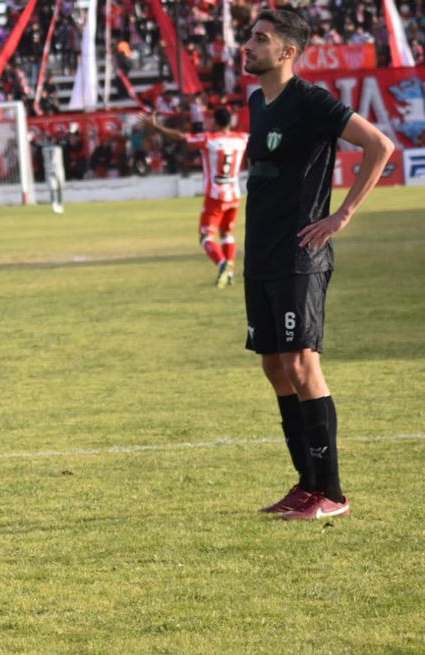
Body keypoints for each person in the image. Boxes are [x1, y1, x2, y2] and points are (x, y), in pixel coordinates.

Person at [240, 10, 393, 520]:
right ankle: (306, 484)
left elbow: (379, 145)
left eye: (260, 39)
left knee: (303, 365)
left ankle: (331, 493)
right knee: (274, 366)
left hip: (299, 256)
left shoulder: (311, 101)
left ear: (287, 52)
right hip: (260, 254)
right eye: (249, 37)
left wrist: (342, 215)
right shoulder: (257, 101)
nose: (248, 45)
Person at [141, 107, 249, 287]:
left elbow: (180, 137)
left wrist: (156, 127)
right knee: (227, 234)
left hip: (215, 196)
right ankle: (229, 273)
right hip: (234, 195)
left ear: (215, 122)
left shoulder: (210, 140)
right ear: (231, 121)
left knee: (205, 236)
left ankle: (222, 263)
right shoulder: (243, 138)